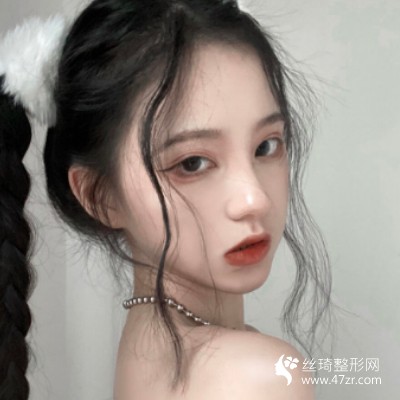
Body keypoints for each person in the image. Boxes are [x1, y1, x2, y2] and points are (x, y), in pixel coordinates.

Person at [0, 0, 333, 399]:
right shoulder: (256, 376)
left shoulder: (148, 352)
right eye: (192, 163)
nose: (254, 199)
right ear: (100, 196)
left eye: (266, 146)